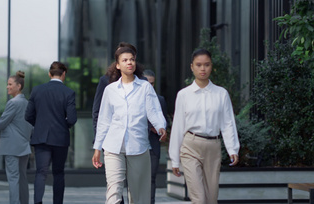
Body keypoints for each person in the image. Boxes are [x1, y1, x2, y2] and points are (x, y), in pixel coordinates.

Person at [92, 46, 167, 204]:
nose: (129, 63)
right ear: (118, 65)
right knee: (114, 191)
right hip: (113, 147)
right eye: (125, 60)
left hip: (138, 146)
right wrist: (98, 147)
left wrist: (160, 126)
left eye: (132, 59)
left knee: (138, 195)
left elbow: (153, 110)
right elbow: (104, 120)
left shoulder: (145, 87)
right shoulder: (110, 90)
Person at [168, 48, 240, 204]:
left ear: (211, 66)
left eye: (206, 65)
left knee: (211, 199)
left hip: (213, 147)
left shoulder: (221, 94)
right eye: (198, 65)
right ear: (191, 67)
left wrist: (233, 149)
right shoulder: (183, 95)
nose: (202, 69)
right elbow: (178, 126)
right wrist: (174, 159)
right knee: (199, 199)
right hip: (190, 146)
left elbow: (227, 123)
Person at [25, 61, 77, 204]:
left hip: (41, 138)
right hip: (60, 139)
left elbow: (28, 115)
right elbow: (72, 119)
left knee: (41, 173)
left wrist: (41, 125)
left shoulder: (37, 90)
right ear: (64, 74)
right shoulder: (69, 93)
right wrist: (62, 125)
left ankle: (37, 202)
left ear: (49, 73)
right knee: (58, 173)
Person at [0, 71, 33, 204]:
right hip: (23, 146)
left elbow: (1, 124)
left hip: (12, 147)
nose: (7, 87)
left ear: (19, 86)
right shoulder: (27, 103)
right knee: (22, 178)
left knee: (13, 179)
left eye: (10, 84)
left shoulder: (13, 103)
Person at [143, 69, 169, 204]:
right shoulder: (134, 98)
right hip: (138, 145)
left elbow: (166, 121)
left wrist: (161, 128)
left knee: (151, 178)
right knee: (135, 179)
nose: (149, 86)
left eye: (152, 84)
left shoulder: (160, 100)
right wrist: (149, 127)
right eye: (147, 83)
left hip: (153, 146)